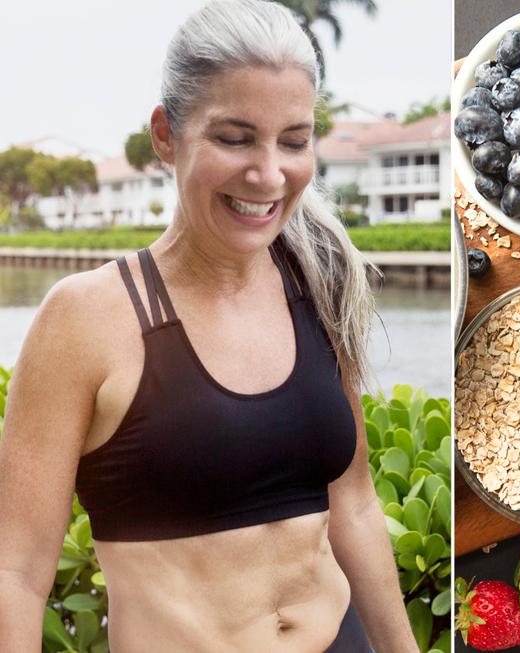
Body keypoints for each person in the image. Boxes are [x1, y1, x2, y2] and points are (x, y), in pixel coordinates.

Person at [0, 1, 419, 651]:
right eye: (234, 136)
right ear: (166, 134)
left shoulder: (317, 277)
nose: (269, 173)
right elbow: (16, 570)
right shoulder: (84, 318)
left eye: (294, 139)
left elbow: (356, 505)